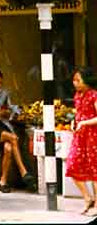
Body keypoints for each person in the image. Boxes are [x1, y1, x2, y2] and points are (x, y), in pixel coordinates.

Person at [65, 66, 97, 216]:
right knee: (72, 165)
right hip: (80, 136)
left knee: (94, 170)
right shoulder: (78, 96)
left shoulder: (94, 95)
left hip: (93, 136)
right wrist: (74, 122)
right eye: (74, 80)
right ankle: (87, 198)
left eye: (78, 80)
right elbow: (78, 113)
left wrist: (84, 123)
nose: (75, 83)